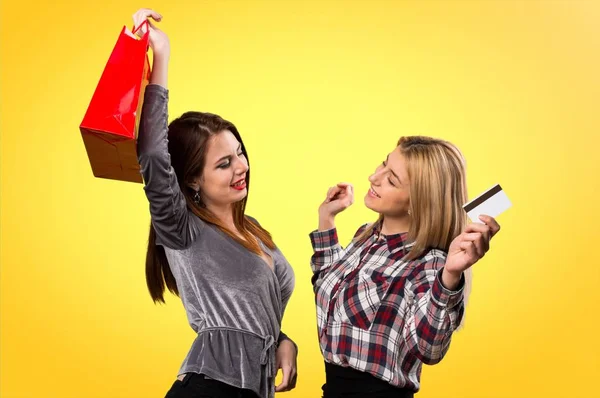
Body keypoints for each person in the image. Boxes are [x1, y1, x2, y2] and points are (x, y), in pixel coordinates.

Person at [132, 8, 297, 398]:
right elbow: (154, 157)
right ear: (191, 179)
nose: (242, 167)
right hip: (211, 388)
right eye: (224, 163)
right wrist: (162, 56)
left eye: (239, 153)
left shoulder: (254, 229)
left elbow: (255, 314)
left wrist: (283, 343)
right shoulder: (182, 228)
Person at [309, 136, 501, 397]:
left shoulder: (430, 264)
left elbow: (428, 349)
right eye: (383, 165)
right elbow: (328, 292)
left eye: (391, 179)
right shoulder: (366, 235)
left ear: (418, 200)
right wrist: (326, 219)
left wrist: (450, 275)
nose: (374, 177)